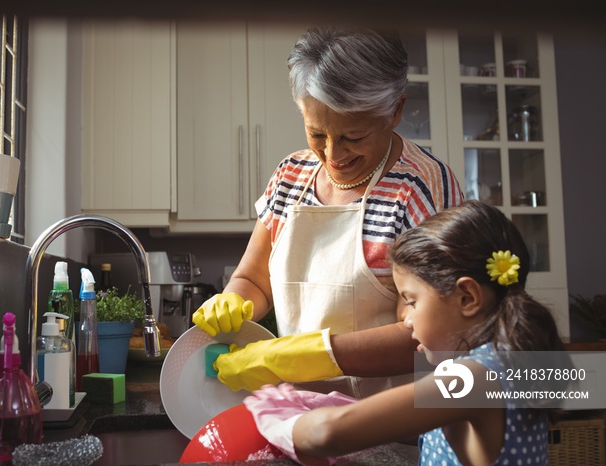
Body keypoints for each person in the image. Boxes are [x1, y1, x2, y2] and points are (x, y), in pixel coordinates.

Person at [192, 26, 464, 396]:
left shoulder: (421, 186)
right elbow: (254, 280)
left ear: (395, 110)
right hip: (298, 411)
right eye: (317, 134)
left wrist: (304, 356)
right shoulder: (291, 175)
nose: (334, 155)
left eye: (354, 137)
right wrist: (232, 301)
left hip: (389, 419)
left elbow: (429, 336)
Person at [243, 200, 567, 466]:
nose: (407, 320)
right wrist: (352, 411)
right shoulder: (504, 363)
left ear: (467, 298)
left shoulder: (472, 377)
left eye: (412, 301)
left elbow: (328, 434)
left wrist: (273, 412)